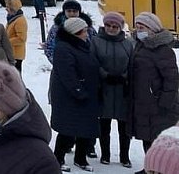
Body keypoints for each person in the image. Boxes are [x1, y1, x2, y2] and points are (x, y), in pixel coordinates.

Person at [50, 16, 101, 171]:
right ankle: (57, 158)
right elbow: (68, 74)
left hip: (87, 94)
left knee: (85, 128)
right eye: (84, 31)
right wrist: (79, 91)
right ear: (75, 33)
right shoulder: (63, 48)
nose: (87, 34)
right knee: (67, 129)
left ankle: (81, 158)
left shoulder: (82, 45)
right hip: (71, 96)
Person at [130, 11, 179, 164]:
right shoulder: (140, 46)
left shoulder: (163, 50)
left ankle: (158, 168)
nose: (139, 30)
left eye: (143, 27)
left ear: (153, 29)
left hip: (158, 105)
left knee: (157, 140)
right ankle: (150, 166)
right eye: (137, 27)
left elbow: (171, 80)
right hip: (143, 103)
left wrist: (164, 102)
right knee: (147, 137)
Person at [90, 11, 134, 168]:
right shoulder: (96, 41)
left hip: (122, 89)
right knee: (104, 124)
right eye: (108, 25)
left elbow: (132, 64)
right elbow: (93, 62)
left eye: (115, 26)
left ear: (121, 28)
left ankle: (124, 156)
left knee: (124, 126)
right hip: (105, 88)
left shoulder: (128, 44)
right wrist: (105, 75)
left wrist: (125, 77)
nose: (111, 28)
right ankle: (106, 155)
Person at [44, 0, 95, 64]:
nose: (72, 14)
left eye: (75, 11)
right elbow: (49, 47)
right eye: (69, 11)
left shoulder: (88, 27)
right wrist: (58, 62)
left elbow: (95, 44)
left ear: (79, 12)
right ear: (64, 12)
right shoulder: (56, 28)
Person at [5, 0, 28, 72]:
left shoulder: (20, 21)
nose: (6, 9)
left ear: (13, 9)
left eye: (8, 8)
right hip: (11, 52)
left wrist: (6, 42)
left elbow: (21, 38)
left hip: (16, 54)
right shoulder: (12, 18)